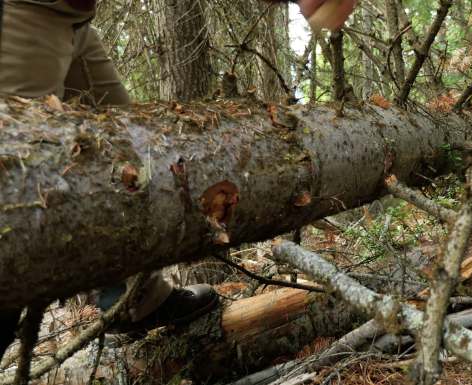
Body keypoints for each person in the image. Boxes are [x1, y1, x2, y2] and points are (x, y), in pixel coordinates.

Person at [0, 0, 357, 358]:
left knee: (130, 162)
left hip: (73, 18)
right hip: (25, 12)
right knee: (15, 199)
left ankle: (132, 298)